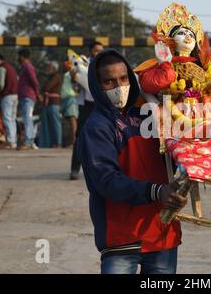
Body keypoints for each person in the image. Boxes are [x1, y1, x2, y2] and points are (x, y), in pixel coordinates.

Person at [78, 49, 187, 274]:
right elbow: (106, 180)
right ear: (98, 86)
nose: (119, 86)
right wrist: (158, 192)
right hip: (120, 238)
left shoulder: (153, 113)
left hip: (161, 234)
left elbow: (176, 157)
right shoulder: (97, 126)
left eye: (123, 78)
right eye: (109, 81)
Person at [69, 41, 103, 180]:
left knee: (101, 138)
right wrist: (73, 78)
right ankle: (74, 169)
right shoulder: (81, 64)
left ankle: (101, 170)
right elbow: (74, 87)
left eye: (101, 50)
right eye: (96, 50)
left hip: (101, 105)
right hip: (86, 106)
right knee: (80, 138)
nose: (99, 53)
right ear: (90, 52)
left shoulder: (105, 65)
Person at [0, 53, 19, 149]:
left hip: (7, 96)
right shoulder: (12, 68)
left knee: (7, 118)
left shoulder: (3, 68)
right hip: (16, 95)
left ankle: (10, 141)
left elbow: (1, 84)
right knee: (12, 118)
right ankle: (13, 141)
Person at [17, 49, 40, 150]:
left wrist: (37, 93)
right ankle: (29, 141)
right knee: (27, 118)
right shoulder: (24, 67)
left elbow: (34, 81)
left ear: (22, 56)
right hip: (25, 96)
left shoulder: (27, 67)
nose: (18, 58)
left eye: (19, 56)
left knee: (27, 118)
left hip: (28, 96)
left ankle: (28, 141)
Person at [38, 61, 62, 148]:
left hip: (54, 103)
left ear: (54, 68)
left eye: (50, 67)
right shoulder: (49, 77)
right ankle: (50, 142)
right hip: (47, 103)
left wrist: (43, 90)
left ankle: (57, 142)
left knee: (55, 123)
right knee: (48, 124)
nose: (48, 68)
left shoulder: (56, 76)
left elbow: (47, 87)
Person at [60, 60, 78, 147]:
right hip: (65, 99)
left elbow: (74, 80)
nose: (63, 66)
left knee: (72, 120)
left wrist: (73, 71)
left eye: (65, 65)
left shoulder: (70, 74)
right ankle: (72, 141)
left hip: (70, 98)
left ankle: (74, 142)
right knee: (70, 122)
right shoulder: (65, 75)